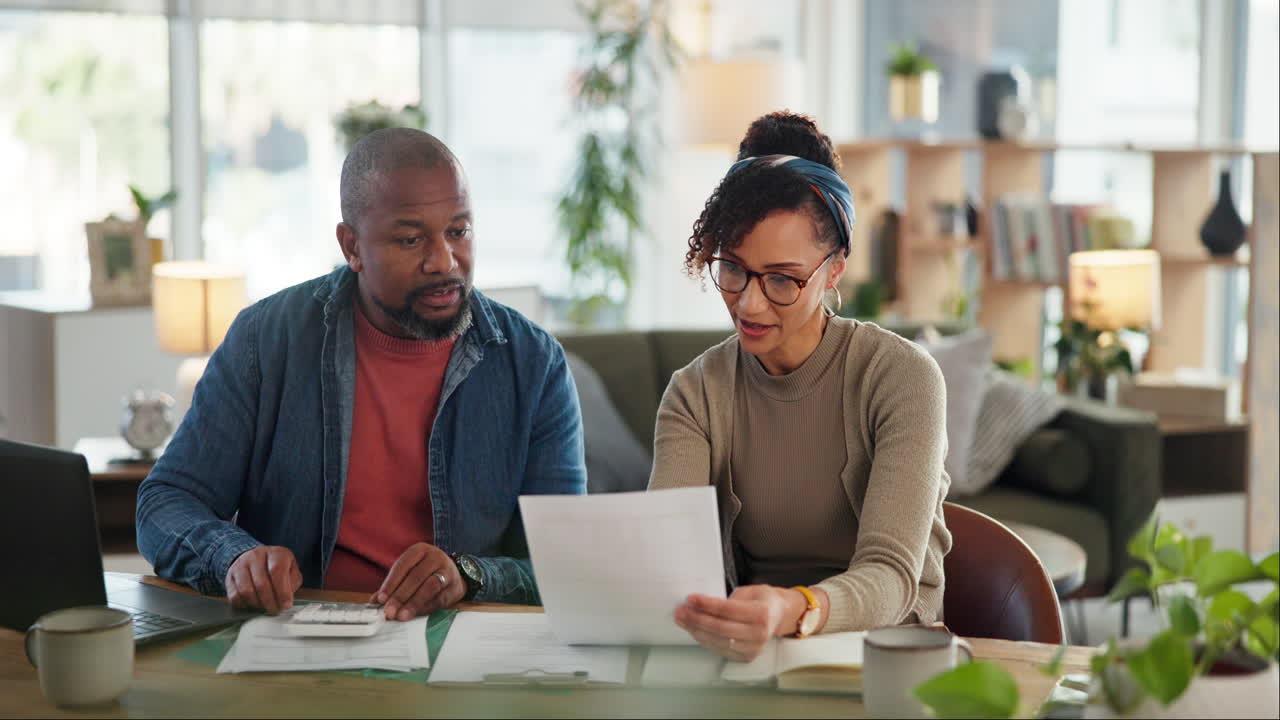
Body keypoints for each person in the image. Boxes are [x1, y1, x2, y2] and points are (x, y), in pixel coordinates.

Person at [137, 128, 586, 620]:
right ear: (351, 245)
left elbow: (565, 561)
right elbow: (165, 503)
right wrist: (235, 558)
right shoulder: (266, 341)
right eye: (411, 239)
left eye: (459, 231)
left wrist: (468, 575)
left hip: (455, 644)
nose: (443, 261)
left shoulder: (533, 364)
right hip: (296, 636)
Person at [651, 112, 952, 661]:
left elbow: (891, 578)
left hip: (888, 657)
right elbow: (667, 561)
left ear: (835, 269)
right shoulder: (695, 393)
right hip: (751, 653)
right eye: (733, 269)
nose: (748, 303)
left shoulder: (901, 378)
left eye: (783, 279)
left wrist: (792, 610)